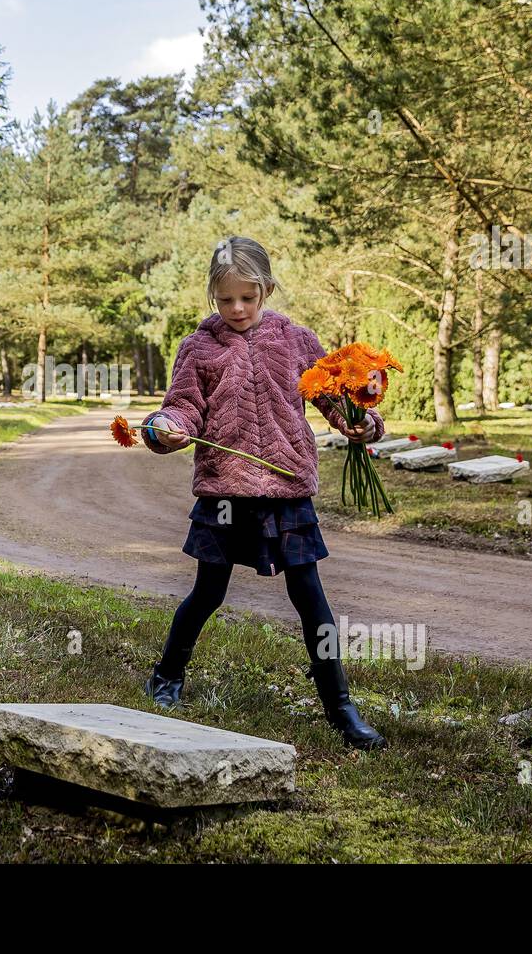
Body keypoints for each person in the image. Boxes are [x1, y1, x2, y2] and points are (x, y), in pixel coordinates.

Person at [140, 236, 387, 750]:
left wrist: (363, 423)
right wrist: (163, 427)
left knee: (309, 595)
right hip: (225, 492)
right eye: (226, 299)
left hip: (286, 486)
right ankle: (167, 675)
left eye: (247, 298)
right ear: (213, 295)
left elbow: (335, 396)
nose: (237, 309)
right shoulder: (199, 347)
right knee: (209, 591)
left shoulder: (295, 339)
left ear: (266, 289)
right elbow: (183, 408)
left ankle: (340, 706)